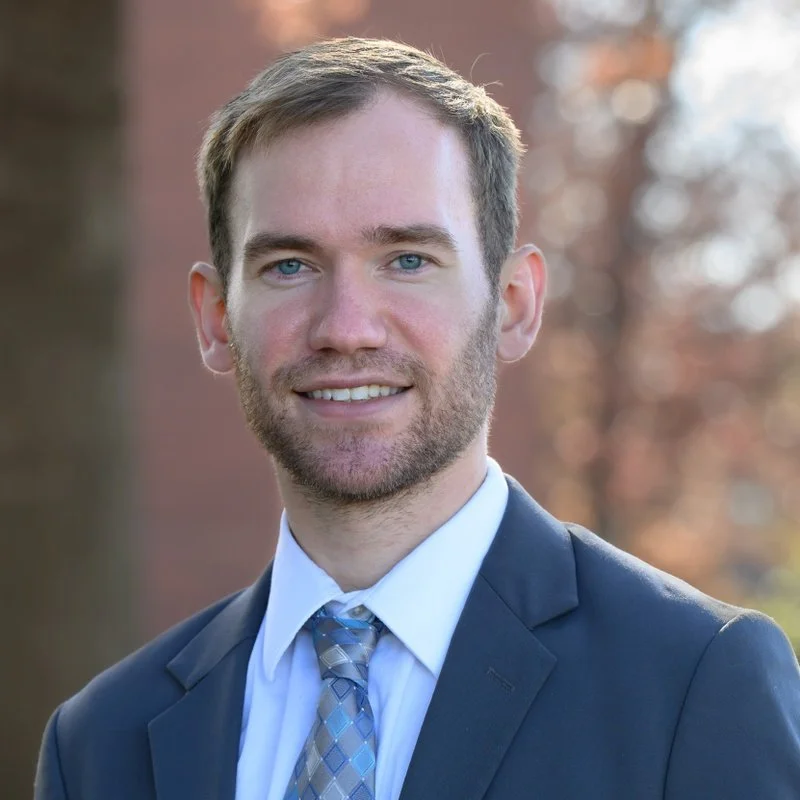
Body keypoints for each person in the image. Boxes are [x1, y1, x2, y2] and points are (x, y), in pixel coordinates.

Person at [36, 37, 800, 800]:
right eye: (289, 266)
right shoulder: (100, 743)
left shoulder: (693, 682)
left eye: (408, 260)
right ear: (214, 319)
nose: (346, 328)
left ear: (514, 304)